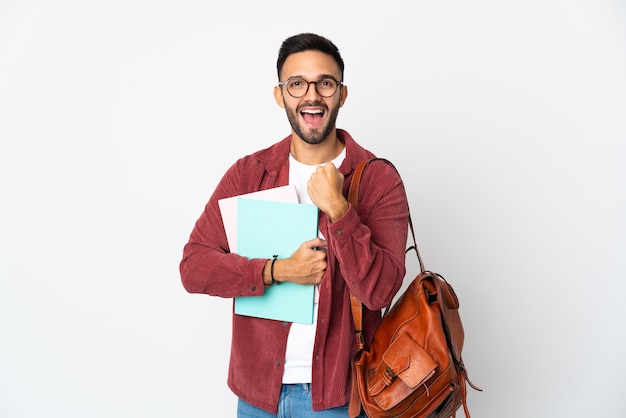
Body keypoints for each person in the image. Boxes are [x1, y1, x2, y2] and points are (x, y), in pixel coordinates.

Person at [180, 33, 409, 417]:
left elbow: (380, 292)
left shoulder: (377, 180)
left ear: (342, 94)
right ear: (280, 95)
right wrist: (278, 270)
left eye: (325, 83)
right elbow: (193, 267)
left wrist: (340, 210)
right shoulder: (249, 173)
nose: (312, 95)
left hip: (338, 399)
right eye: (297, 84)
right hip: (256, 398)